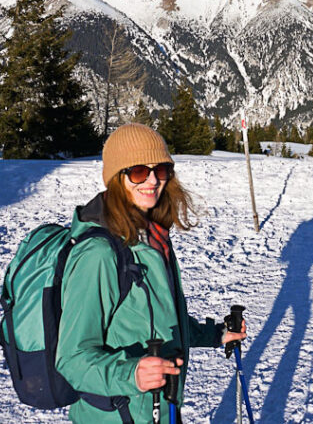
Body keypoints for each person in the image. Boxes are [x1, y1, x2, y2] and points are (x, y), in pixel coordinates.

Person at [56, 123, 247, 423]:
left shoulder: (152, 238)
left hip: (160, 408)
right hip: (118, 414)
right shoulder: (98, 255)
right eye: (137, 172)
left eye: (160, 170)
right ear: (117, 179)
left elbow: (159, 324)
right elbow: (71, 359)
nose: (152, 181)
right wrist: (131, 373)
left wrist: (215, 335)